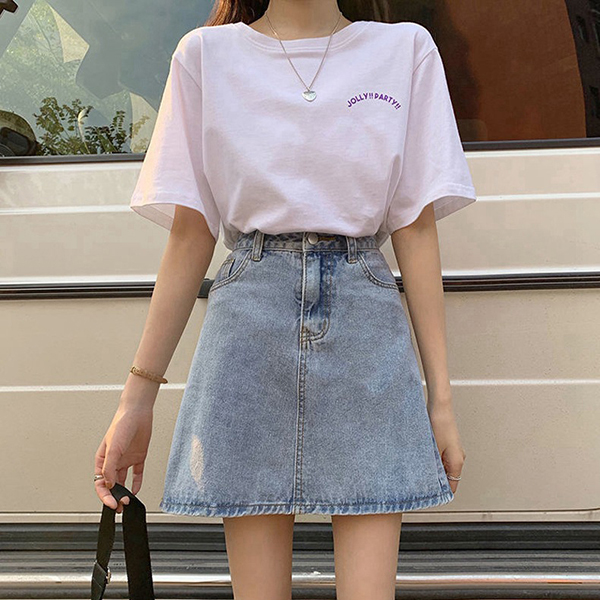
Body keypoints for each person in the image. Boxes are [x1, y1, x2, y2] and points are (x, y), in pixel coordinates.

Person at [95, 1, 475, 598]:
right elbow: (191, 235)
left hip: (366, 316)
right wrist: (136, 401)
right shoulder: (205, 56)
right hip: (248, 316)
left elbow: (416, 227)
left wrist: (442, 401)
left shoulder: (404, 50)